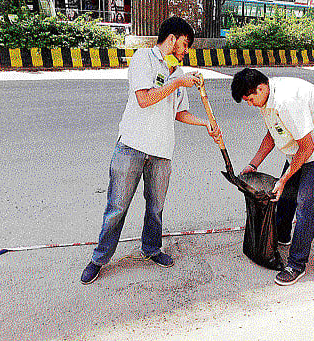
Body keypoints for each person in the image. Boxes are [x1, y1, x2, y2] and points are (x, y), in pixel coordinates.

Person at [81, 17, 221, 285]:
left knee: (155, 207)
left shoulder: (179, 73)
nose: (186, 49)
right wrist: (177, 83)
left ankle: (152, 248)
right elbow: (144, 99)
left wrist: (206, 122)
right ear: (172, 38)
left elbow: (180, 112)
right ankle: (99, 259)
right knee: (117, 207)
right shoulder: (144, 58)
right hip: (132, 146)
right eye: (185, 43)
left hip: (161, 152)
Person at [231, 68, 314, 286]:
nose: (250, 104)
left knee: (306, 202)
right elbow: (272, 132)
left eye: (250, 99)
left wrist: (283, 179)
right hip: (301, 146)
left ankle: (297, 264)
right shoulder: (266, 97)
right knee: (285, 195)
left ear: (261, 88)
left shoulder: (287, 101)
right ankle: (282, 236)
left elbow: (307, 148)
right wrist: (253, 164)